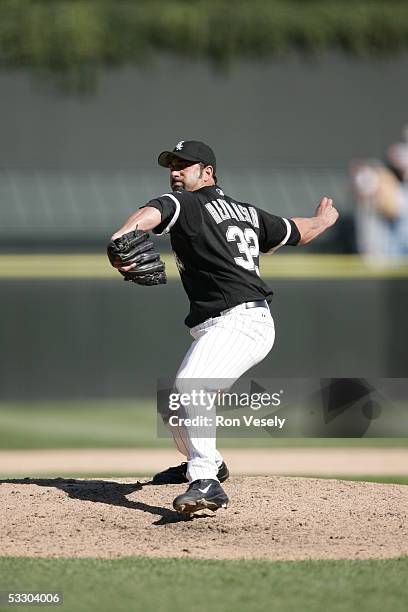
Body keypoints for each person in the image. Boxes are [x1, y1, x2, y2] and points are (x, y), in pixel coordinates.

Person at [110, 140, 339, 514]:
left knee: (191, 387)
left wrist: (121, 237)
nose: (176, 171)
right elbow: (297, 229)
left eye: (185, 165)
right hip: (231, 323)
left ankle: (206, 482)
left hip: (241, 320)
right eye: (172, 165)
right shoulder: (245, 212)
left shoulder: (185, 203)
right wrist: (324, 221)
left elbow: (152, 212)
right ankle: (210, 462)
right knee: (175, 404)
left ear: (207, 172)